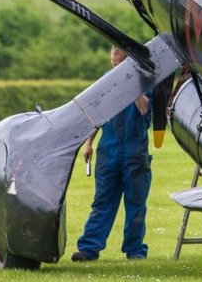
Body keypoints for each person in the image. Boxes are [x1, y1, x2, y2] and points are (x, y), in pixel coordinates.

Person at [72, 46, 152, 261]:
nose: (113, 61)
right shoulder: (105, 81)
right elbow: (96, 115)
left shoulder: (144, 79)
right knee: (102, 202)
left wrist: (133, 86)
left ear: (127, 58)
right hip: (108, 151)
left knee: (135, 204)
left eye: (117, 56)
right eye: (112, 57)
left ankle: (135, 251)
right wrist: (88, 143)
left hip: (135, 151)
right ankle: (89, 249)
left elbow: (145, 111)